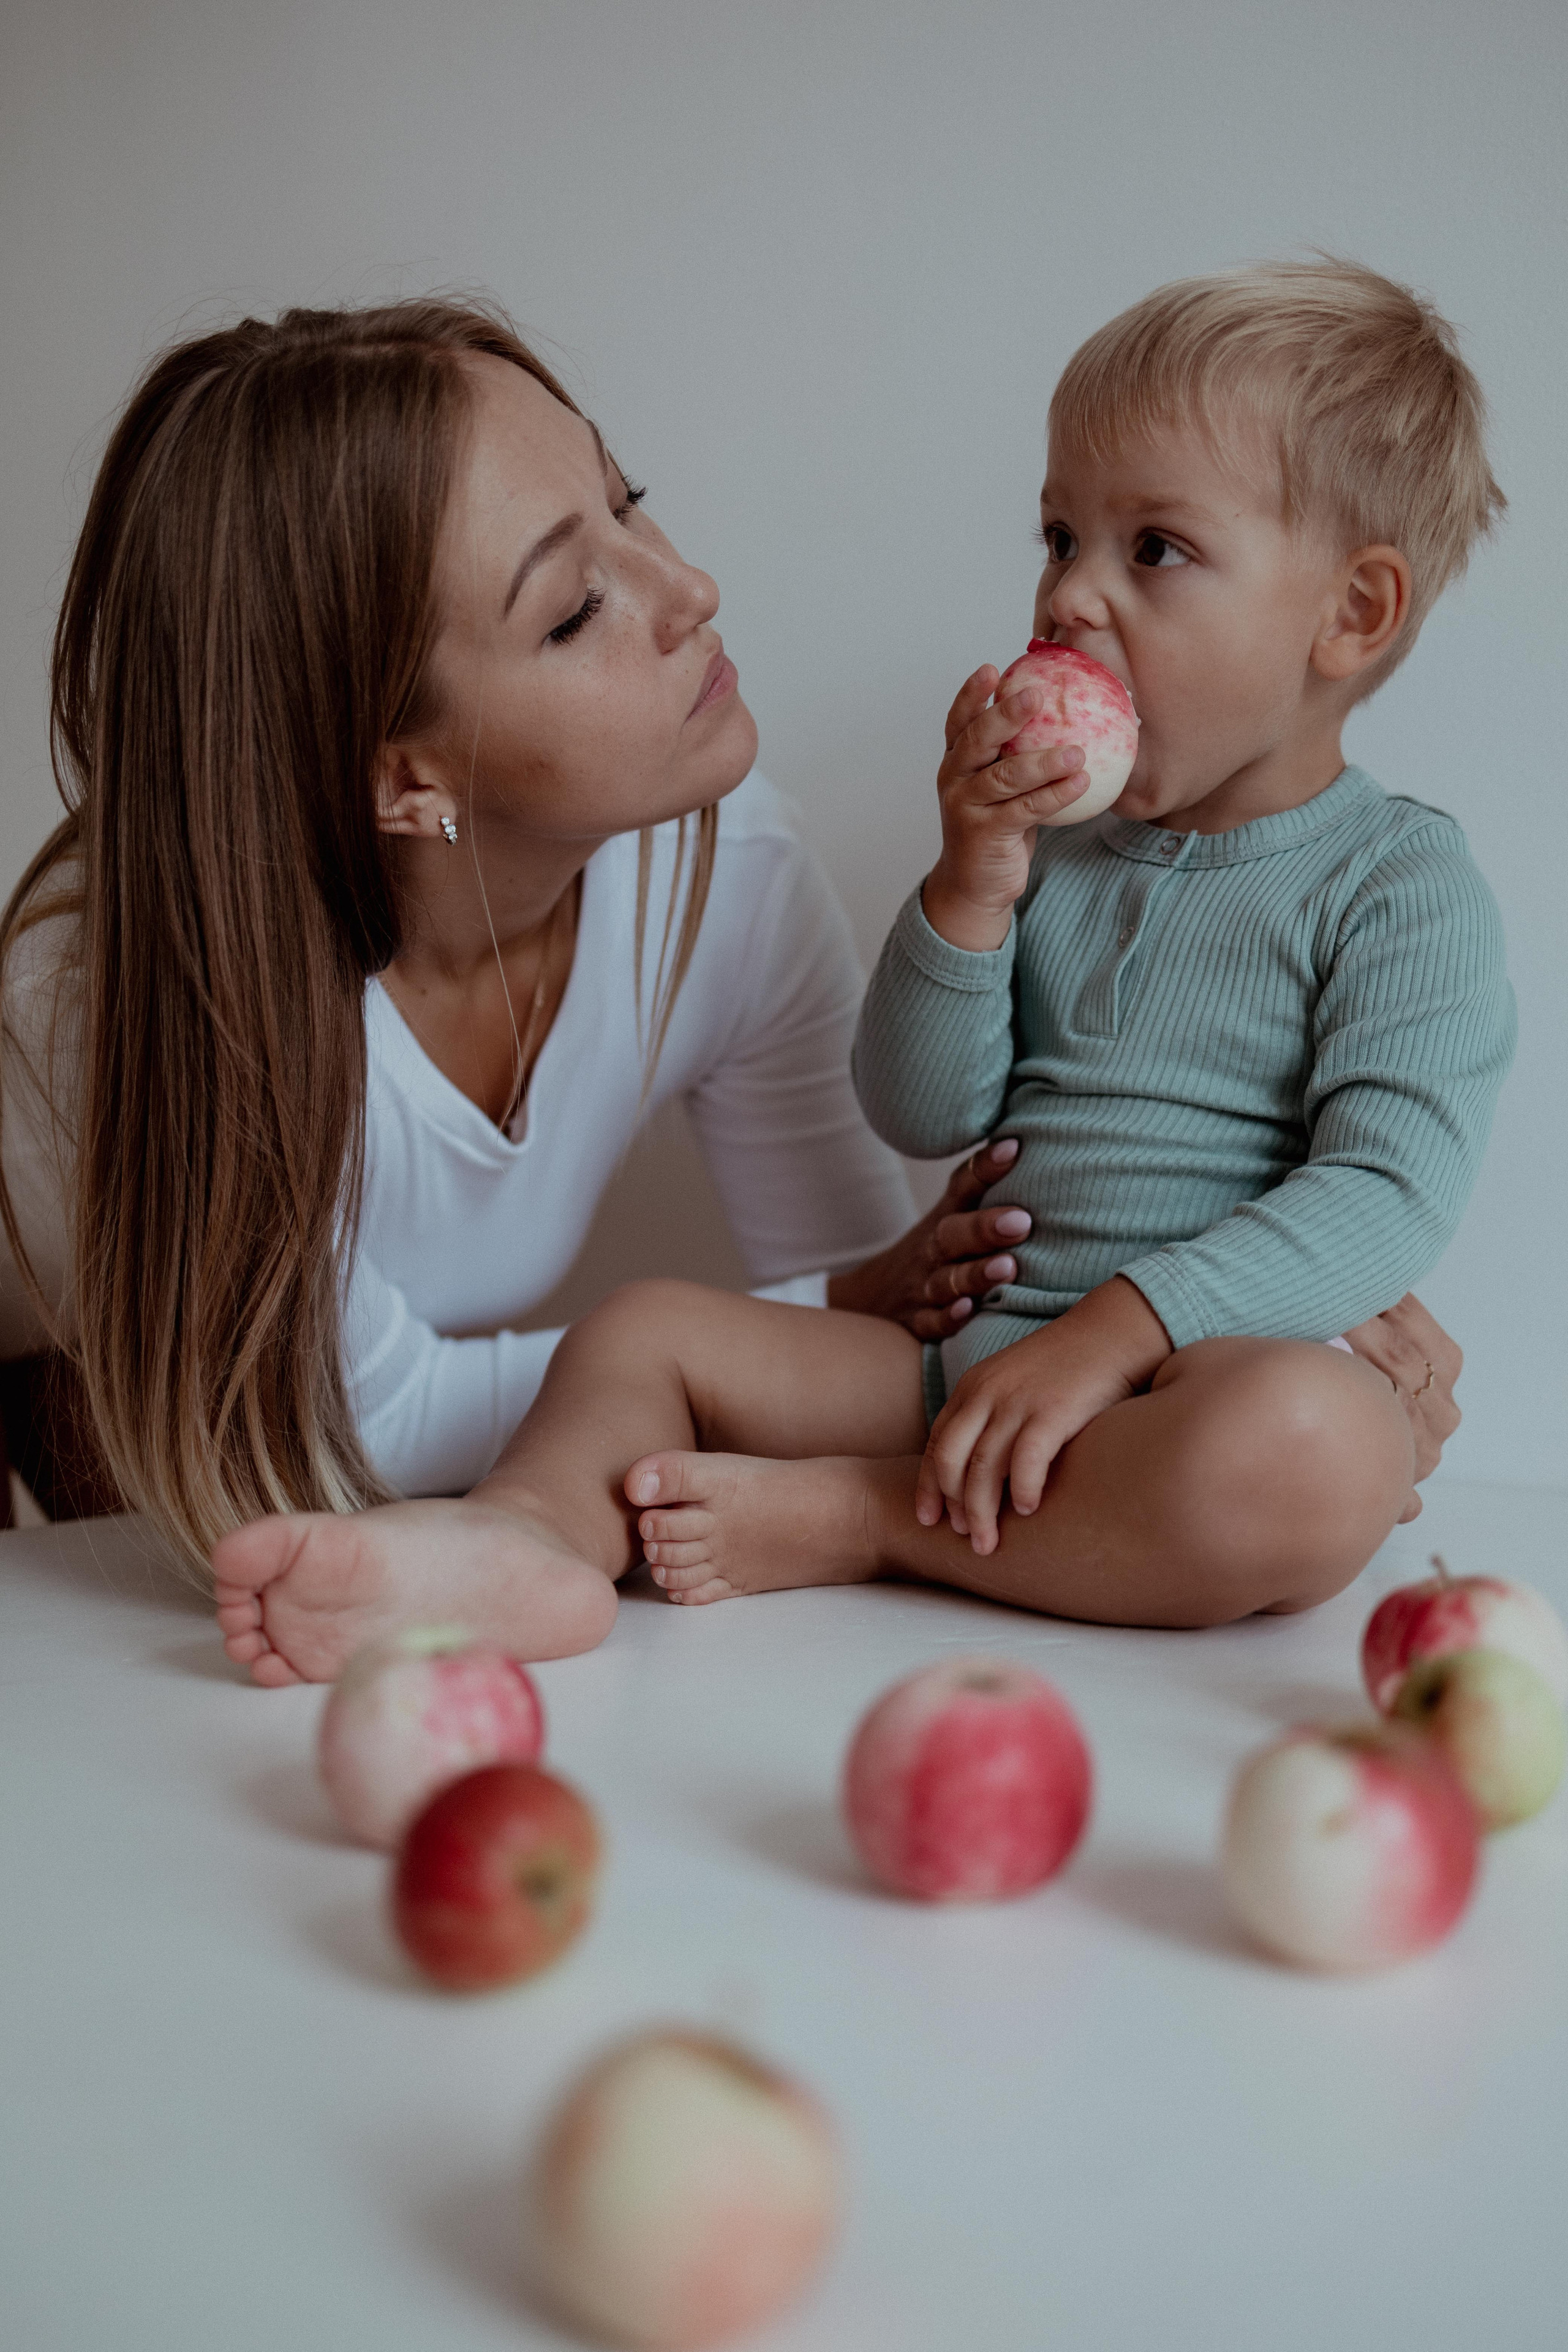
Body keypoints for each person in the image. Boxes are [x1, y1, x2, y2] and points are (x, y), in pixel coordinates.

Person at [213, 259, 1507, 1686]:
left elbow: (1386, 1190)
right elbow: (920, 1107)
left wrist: (1116, 1336)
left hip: (1168, 1386)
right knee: (647, 1328)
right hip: (965, 1363)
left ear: (1351, 614)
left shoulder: (1396, 886)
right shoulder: (1051, 855)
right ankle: (524, 1537)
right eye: (1058, 534)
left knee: (1315, 1445)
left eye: (1151, 550)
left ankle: (863, 1521)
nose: (1068, 594)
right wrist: (968, 884)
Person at [0, 298, 1044, 1556]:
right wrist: (728, 1344)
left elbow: (863, 1348)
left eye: (628, 498)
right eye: (570, 610)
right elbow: (333, 1425)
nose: (690, 588)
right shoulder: (113, 1006)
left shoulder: (727, 877)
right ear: (403, 780)